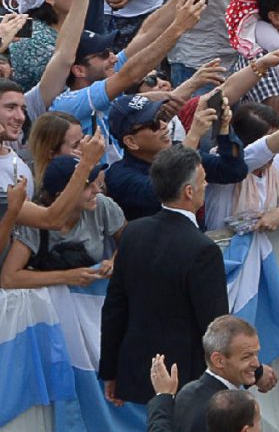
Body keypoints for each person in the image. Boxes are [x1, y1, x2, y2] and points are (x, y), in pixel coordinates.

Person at [96, 146, 225, 409]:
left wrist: (111, 371)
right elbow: (215, 326)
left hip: (139, 370)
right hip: (188, 379)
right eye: (202, 180)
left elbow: (114, 309)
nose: (206, 184)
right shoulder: (203, 250)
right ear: (189, 191)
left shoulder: (133, 233)